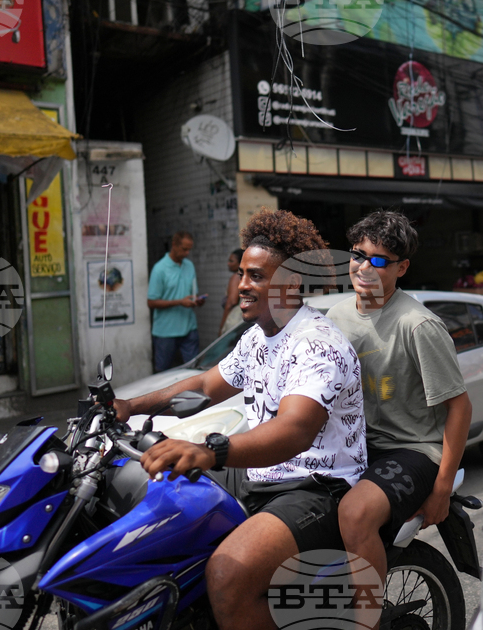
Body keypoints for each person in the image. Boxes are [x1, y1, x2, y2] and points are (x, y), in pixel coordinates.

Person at [114, 209, 366, 630]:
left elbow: (294, 430)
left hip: (317, 485)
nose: (242, 285)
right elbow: (204, 386)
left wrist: (209, 450)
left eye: (256, 276)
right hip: (260, 473)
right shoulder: (256, 337)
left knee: (227, 576)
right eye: (243, 274)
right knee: (158, 512)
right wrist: (130, 406)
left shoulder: (317, 344)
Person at [326, 210, 472, 623]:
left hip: (413, 450)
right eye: (358, 255)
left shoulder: (418, 324)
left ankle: (366, 621)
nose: (364, 267)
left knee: (354, 514)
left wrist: (441, 489)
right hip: (357, 447)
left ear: (401, 268)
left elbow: (459, 407)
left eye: (378, 260)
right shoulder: (335, 317)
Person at [147, 231, 205, 372]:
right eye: (184, 249)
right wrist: (179, 302)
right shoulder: (160, 269)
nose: (187, 253)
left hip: (189, 327)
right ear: (174, 245)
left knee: (193, 369)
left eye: (189, 249)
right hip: (166, 332)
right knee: (163, 371)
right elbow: (151, 302)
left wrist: (196, 301)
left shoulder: (189, 265)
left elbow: (191, 294)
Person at [218, 248, 244, 336]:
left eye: (231, 261)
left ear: (240, 263)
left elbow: (231, 303)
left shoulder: (236, 277)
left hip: (234, 323)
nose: (228, 263)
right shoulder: (246, 277)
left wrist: (221, 327)